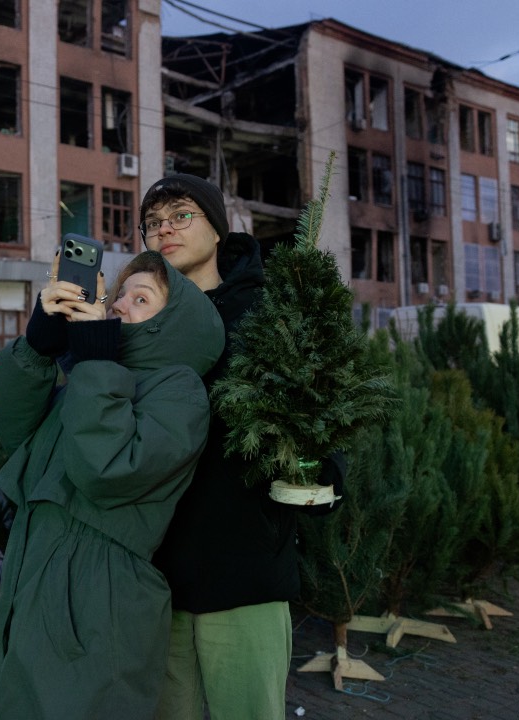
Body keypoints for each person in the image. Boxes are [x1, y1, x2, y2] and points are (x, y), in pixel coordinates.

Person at [0, 250, 225, 719]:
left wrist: (96, 361)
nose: (120, 305)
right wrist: (38, 345)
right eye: (120, 295)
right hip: (35, 575)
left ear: (172, 326)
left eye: (141, 299)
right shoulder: (91, 376)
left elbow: (107, 470)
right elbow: (12, 427)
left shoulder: (179, 391)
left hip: (95, 601)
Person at [142, 174, 347, 720]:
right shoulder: (140, 315)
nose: (164, 230)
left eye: (180, 215)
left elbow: (323, 409)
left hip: (244, 569)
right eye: (153, 223)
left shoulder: (269, 311)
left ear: (217, 228)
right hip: (154, 576)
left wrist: (319, 471)